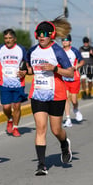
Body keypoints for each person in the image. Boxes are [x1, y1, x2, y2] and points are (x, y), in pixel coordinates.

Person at [25, 18, 74, 176]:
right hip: (38, 94)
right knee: (41, 128)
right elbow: (31, 69)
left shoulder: (57, 51)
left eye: (45, 34)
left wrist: (54, 69)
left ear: (51, 35)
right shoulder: (32, 51)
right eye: (39, 34)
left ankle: (64, 145)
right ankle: (41, 165)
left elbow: (70, 72)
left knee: (56, 129)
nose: (41, 37)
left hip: (56, 94)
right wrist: (24, 72)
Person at [0, 29, 28, 137]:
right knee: (6, 107)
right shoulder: (0, 48)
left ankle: (15, 127)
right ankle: (10, 118)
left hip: (18, 83)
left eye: (10, 38)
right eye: (6, 38)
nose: (8, 40)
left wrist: (24, 72)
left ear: (14, 39)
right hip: (4, 83)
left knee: (17, 106)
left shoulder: (21, 49)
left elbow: (26, 64)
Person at [61, 34, 85, 127]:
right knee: (66, 98)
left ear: (70, 42)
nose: (64, 42)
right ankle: (68, 119)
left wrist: (76, 66)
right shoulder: (60, 51)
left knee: (74, 100)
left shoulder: (74, 51)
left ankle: (76, 109)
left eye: (66, 40)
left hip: (74, 77)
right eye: (63, 40)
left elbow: (82, 61)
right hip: (64, 78)